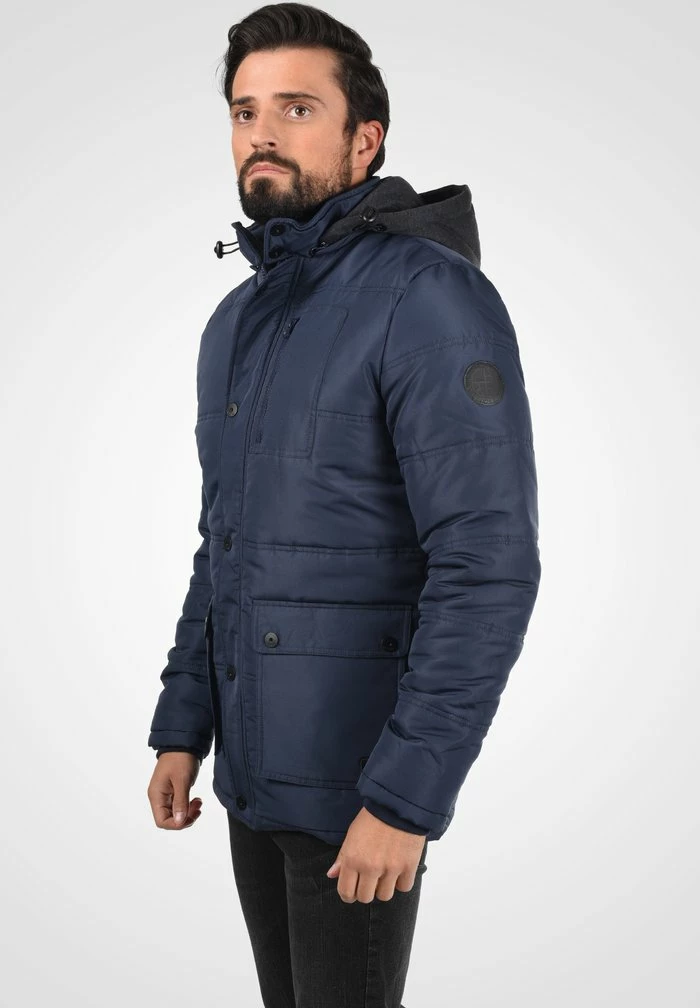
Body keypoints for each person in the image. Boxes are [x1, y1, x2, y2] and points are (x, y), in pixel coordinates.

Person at [146, 4, 541, 1005]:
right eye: (244, 112)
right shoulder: (237, 320)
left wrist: (405, 799)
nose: (261, 133)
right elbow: (223, 542)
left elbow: (486, 562)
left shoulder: (429, 297)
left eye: (296, 108)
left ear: (365, 140)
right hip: (252, 779)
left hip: (358, 793)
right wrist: (183, 723)